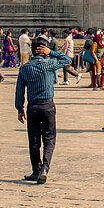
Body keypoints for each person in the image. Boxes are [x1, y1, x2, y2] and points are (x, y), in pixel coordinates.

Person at [14, 34, 71, 183]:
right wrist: (51, 52)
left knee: (34, 140)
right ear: (44, 50)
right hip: (48, 105)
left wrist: (19, 108)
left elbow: (20, 91)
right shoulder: (50, 64)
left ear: (32, 50)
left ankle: (36, 170)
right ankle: (45, 168)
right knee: (49, 138)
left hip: (32, 107)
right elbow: (67, 60)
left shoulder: (25, 68)